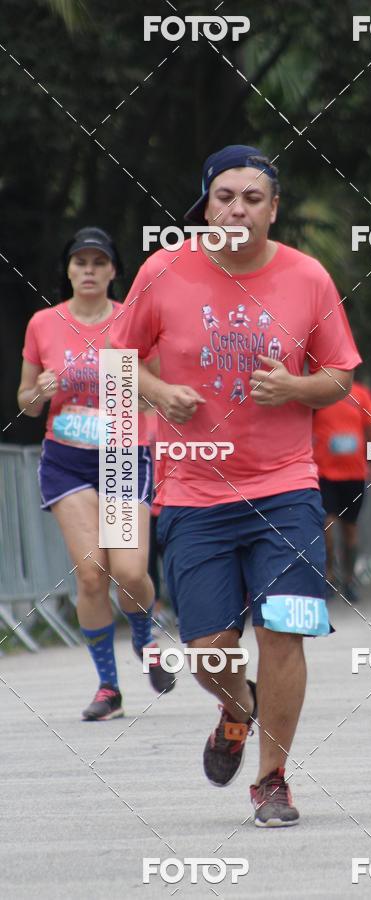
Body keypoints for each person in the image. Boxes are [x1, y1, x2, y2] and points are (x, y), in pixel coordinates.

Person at [109, 145, 361, 827]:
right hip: (195, 494)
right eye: (225, 196)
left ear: (273, 209)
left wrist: (295, 386)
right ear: (205, 204)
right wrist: (160, 390)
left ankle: (273, 780)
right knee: (208, 651)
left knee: (285, 630)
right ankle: (238, 707)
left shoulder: (307, 278)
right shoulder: (165, 270)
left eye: (253, 197)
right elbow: (116, 359)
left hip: (286, 490)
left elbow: (339, 373)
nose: (238, 208)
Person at [17, 227, 175, 721]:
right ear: (68, 270)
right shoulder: (43, 323)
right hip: (67, 459)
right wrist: (40, 391)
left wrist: (132, 389)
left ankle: (146, 641)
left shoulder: (133, 321)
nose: (88, 270)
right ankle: (108, 687)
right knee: (90, 575)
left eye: (98, 262)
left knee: (129, 572)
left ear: (113, 271)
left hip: (125, 455)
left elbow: (158, 391)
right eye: (80, 261)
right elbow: (24, 404)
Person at [312, 378, 371, 602]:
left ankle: (350, 580)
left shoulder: (361, 394)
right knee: (327, 527)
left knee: (350, 530)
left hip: (354, 474)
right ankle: (329, 576)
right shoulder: (318, 393)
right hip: (324, 473)